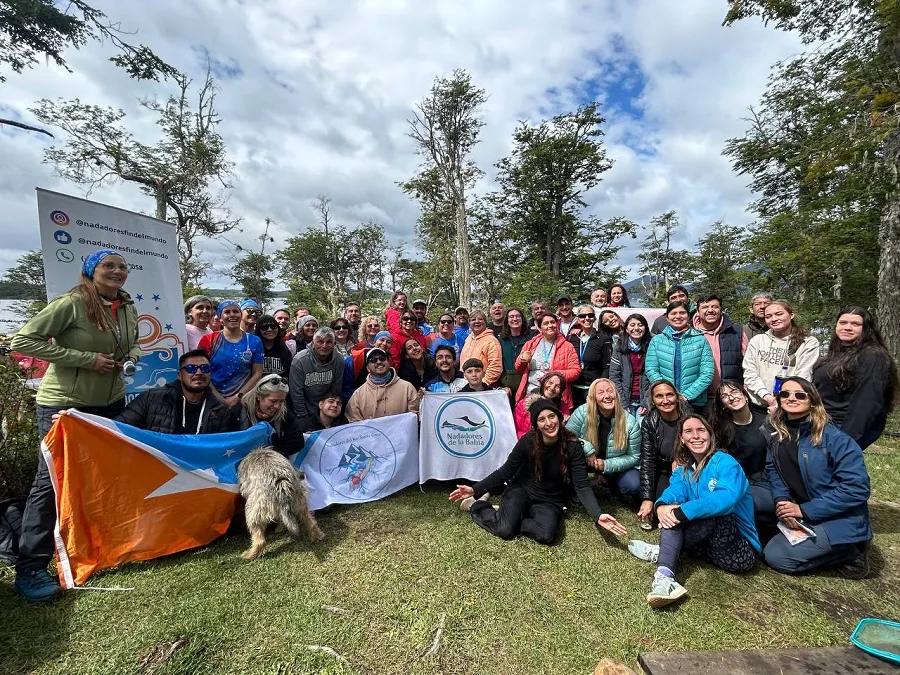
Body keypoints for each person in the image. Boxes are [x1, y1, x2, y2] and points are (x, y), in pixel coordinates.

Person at [9, 248, 140, 602]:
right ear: (91, 271)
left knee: (100, 476)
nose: (117, 271)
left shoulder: (127, 307)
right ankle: (32, 567)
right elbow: (22, 340)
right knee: (50, 481)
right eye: (108, 266)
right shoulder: (72, 303)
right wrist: (84, 359)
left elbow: (135, 345)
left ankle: (93, 546)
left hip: (109, 402)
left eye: (122, 267)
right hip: (64, 403)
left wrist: (130, 358)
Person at [449, 400, 627, 545]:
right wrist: (475, 490)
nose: (549, 423)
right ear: (536, 425)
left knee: (545, 535)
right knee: (505, 530)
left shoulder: (573, 446)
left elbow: (582, 485)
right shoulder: (528, 441)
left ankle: (511, 514)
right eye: (542, 420)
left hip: (550, 500)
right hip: (521, 490)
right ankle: (477, 506)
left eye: (552, 417)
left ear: (559, 418)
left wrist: (598, 515)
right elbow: (506, 471)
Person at [628, 414, 761, 608]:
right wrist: (661, 506)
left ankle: (664, 553)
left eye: (701, 430)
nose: (696, 436)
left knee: (699, 513)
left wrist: (680, 512)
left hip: (739, 552)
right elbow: (674, 491)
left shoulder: (725, 462)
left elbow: (725, 500)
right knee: (671, 511)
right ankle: (664, 577)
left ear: (710, 435)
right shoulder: (685, 468)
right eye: (689, 432)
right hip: (706, 548)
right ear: (682, 438)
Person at [760, 377, 872, 578]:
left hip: (838, 516)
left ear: (812, 400)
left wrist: (804, 510)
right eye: (785, 394)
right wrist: (782, 501)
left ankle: (851, 551)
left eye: (800, 395)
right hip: (799, 504)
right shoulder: (778, 432)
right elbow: (773, 470)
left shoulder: (835, 438)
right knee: (753, 503)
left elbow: (857, 489)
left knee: (776, 557)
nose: (791, 398)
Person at [812, 307, 898, 449]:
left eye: (856, 324)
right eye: (843, 322)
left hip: (843, 427)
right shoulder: (838, 352)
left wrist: (845, 440)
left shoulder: (873, 355)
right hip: (823, 422)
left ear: (867, 328)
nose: (847, 327)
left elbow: (868, 400)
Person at [116, 349, 240, 434]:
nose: (198, 373)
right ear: (179, 375)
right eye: (191, 368)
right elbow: (118, 427)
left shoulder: (221, 409)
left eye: (205, 368)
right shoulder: (151, 398)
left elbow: (227, 448)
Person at [566, 379, 641, 498]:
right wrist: (588, 450)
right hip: (584, 460)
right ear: (593, 397)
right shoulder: (581, 412)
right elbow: (567, 436)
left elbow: (634, 456)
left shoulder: (630, 422)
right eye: (601, 393)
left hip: (612, 463)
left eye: (610, 391)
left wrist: (607, 465)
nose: (607, 396)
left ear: (616, 394)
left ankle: (614, 485)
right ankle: (574, 488)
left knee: (634, 484)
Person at [743, 299, 821, 413]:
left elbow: (803, 376)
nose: (774, 319)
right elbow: (750, 373)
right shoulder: (757, 341)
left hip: (790, 406)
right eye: (768, 316)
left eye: (779, 314)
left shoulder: (808, 342)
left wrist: (781, 401)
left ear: (791, 315)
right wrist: (768, 397)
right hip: (758, 406)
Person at [637, 380, 690, 530]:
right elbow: (648, 459)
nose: (665, 400)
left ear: (677, 397)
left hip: (687, 471)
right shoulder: (649, 422)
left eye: (669, 395)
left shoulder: (690, 417)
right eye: (659, 396)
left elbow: (702, 449)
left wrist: (683, 458)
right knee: (661, 504)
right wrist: (647, 498)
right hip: (663, 470)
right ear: (653, 401)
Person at [646, 301, 715, 412]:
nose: (678, 316)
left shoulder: (700, 340)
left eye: (682, 313)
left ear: (688, 316)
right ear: (667, 318)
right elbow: (651, 369)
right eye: (673, 313)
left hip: (693, 402)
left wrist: (686, 396)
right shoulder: (657, 341)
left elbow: (707, 373)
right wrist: (667, 393)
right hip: (665, 402)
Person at [198, 300, 265, 408]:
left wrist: (238, 397)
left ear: (241, 315)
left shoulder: (254, 341)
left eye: (235, 311)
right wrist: (219, 399)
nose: (232, 315)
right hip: (212, 399)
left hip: (243, 401)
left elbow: (257, 373)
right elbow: (201, 371)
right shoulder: (209, 340)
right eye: (227, 312)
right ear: (220, 318)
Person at [693, 294, 747, 410]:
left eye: (715, 307)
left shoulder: (736, 331)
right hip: (699, 398)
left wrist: (745, 391)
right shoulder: (689, 334)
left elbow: (749, 365)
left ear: (721, 310)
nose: (710, 310)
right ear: (697, 311)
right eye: (705, 307)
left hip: (731, 397)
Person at [515, 314, 581, 410]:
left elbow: (576, 372)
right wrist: (522, 361)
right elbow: (519, 369)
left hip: (555, 396)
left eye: (552, 322)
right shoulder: (531, 344)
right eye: (545, 323)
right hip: (530, 394)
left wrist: (555, 374)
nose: (550, 325)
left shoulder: (567, 346)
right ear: (540, 328)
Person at [238, 373, 305, 456]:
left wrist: (275, 454)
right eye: (273, 401)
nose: (277, 406)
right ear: (259, 396)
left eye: (281, 401)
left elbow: (297, 441)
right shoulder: (239, 413)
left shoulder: (284, 413)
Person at [345, 347, 419, 421]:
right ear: (367, 368)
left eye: (382, 358)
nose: (378, 362)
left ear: (388, 362)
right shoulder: (358, 395)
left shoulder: (407, 388)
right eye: (373, 360)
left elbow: (414, 416)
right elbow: (355, 423)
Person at [290, 326, 344, 425]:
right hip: (304, 410)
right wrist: (303, 417)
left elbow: (336, 389)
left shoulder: (339, 360)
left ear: (334, 344)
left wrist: (327, 413)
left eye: (328, 342)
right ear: (313, 343)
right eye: (320, 342)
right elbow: (296, 392)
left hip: (326, 409)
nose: (324, 345)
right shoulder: (300, 360)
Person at [610, 313, 652, 417]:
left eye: (640, 325)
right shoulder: (619, 348)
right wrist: (623, 402)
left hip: (645, 400)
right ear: (627, 329)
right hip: (625, 400)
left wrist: (647, 402)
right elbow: (614, 377)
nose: (636, 328)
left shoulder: (652, 347)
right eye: (632, 325)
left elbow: (655, 377)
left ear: (646, 328)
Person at [568, 305, 608, 408]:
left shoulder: (603, 339)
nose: (587, 318)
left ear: (594, 318)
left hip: (592, 389)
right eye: (582, 316)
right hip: (573, 390)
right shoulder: (572, 338)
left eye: (590, 315)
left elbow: (606, 367)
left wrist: (599, 388)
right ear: (578, 319)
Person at [513, 371, 569, 438]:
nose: (552, 388)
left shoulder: (563, 408)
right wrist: (527, 441)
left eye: (557, 386)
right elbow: (514, 429)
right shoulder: (524, 403)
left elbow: (563, 433)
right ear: (544, 382)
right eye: (550, 383)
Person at [344, 331, 393, 401]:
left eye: (388, 342)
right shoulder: (357, 359)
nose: (384, 343)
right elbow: (347, 386)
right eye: (382, 340)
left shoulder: (390, 361)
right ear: (374, 342)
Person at [459, 310, 503, 387]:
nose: (477, 322)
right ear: (469, 323)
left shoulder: (491, 340)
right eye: (473, 320)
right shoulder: (468, 339)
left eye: (480, 319)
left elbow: (496, 367)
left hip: (483, 388)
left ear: (485, 322)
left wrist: (482, 384)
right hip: (466, 385)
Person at [498, 308, 529, 393]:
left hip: (526, 384)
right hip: (506, 386)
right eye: (511, 317)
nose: (515, 319)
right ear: (507, 321)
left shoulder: (531, 338)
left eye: (518, 316)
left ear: (522, 319)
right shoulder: (501, 340)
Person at [256, 314, 293, 379]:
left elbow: (289, 374)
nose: (269, 330)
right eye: (265, 327)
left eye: (273, 326)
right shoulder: (254, 349)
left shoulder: (285, 350)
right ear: (259, 330)